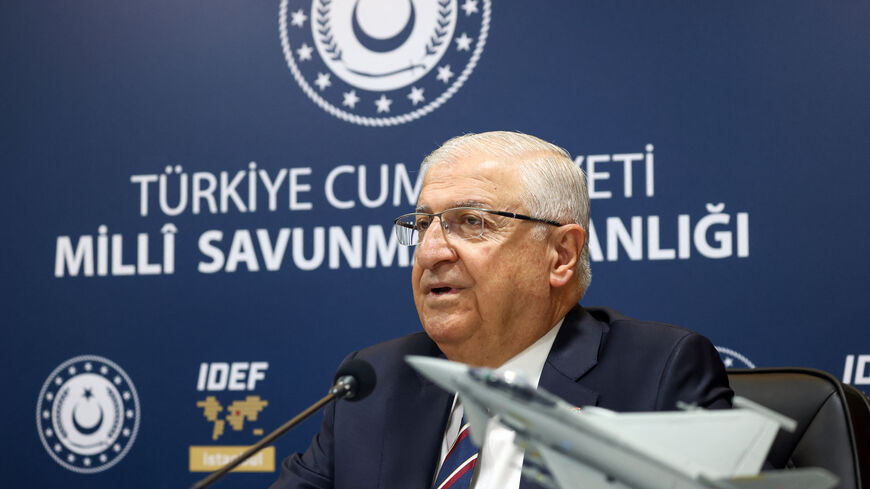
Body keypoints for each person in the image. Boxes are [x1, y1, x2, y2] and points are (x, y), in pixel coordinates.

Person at [270, 131, 732, 489]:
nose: (430, 252)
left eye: (470, 222)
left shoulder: (656, 373)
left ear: (561, 254)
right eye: (423, 223)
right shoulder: (375, 381)